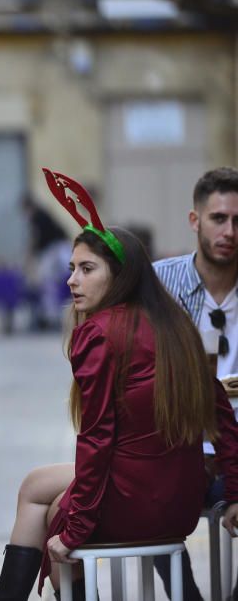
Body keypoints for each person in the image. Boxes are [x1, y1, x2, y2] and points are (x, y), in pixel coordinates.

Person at [0, 169, 238, 601]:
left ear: (120, 276)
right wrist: (235, 491)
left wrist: (75, 529)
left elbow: (97, 438)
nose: (72, 281)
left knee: (48, 508)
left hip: (138, 498)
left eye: (87, 269)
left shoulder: (100, 333)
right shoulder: (176, 324)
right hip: (179, 496)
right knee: (38, 490)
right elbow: (221, 416)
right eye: (72, 269)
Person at [150, 167, 238, 600]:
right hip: (178, 447)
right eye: (219, 219)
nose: (230, 231)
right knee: (144, 492)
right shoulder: (159, 284)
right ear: (194, 221)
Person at [22, 194, 70, 331]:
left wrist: (29, 256)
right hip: (60, 248)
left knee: (48, 282)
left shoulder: (37, 217)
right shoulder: (43, 215)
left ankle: (52, 316)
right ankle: (53, 315)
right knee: (54, 282)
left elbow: (35, 239)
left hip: (55, 250)